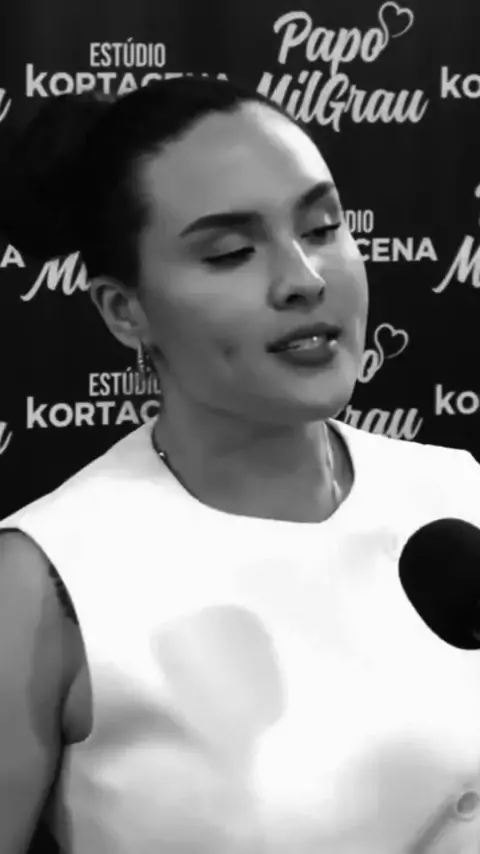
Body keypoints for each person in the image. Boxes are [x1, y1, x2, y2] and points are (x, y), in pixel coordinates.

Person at [0, 76, 479, 854]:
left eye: (322, 227)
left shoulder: (457, 490)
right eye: (231, 253)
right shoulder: (45, 583)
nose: (304, 279)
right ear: (125, 310)